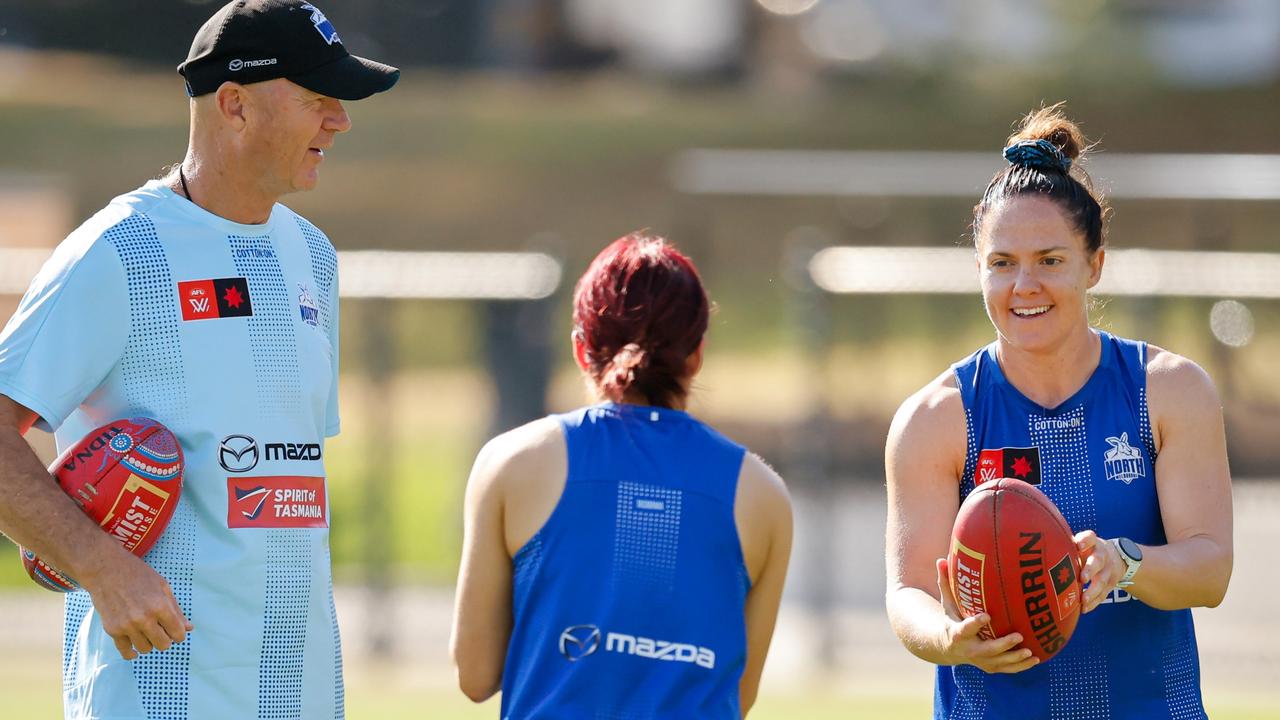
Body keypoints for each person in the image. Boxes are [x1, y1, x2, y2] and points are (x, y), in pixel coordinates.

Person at [0, 2, 398, 718]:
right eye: (317, 98)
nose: (339, 120)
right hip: (156, 692)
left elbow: (286, 486)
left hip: (302, 693)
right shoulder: (118, 250)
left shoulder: (314, 256)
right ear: (236, 105)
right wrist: (99, 567)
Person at [884, 104, 1233, 718]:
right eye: (1002, 263)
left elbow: (1209, 571)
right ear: (979, 271)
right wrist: (950, 641)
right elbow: (909, 592)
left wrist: (1125, 564)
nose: (1024, 285)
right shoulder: (936, 417)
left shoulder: (1168, 390)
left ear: (1094, 264)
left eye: (1049, 260)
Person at [450, 232, 794, 718]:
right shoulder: (763, 494)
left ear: (580, 348)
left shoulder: (513, 461)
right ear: (696, 354)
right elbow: (737, 696)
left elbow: (475, 675)